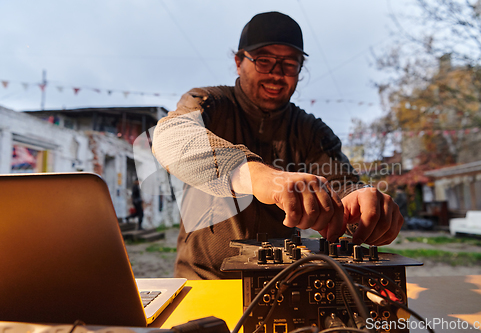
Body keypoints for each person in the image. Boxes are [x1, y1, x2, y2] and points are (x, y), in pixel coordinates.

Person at [152, 12, 403, 279]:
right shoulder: (209, 102)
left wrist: (361, 204)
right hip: (204, 279)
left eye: (290, 64)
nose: (276, 74)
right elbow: (170, 135)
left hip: (279, 283)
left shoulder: (310, 130)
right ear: (239, 62)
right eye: (264, 61)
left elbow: (342, 184)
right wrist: (260, 176)